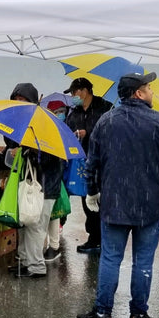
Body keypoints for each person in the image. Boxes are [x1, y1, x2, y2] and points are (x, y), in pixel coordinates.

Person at [76, 72, 159, 318]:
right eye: (148, 88)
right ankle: (138, 316)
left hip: (114, 203)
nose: (152, 92)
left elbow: (92, 162)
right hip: (150, 205)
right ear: (138, 93)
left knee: (110, 259)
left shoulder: (106, 122)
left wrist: (92, 191)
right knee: (143, 262)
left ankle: (103, 313)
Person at [0, 83, 63, 278]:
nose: (19, 103)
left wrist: (28, 151)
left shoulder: (45, 126)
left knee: (36, 227)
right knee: (24, 224)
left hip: (44, 186)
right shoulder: (18, 127)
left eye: (23, 100)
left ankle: (37, 267)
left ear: (32, 102)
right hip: (26, 184)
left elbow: (50, 158)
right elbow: (8, 154)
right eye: (16, 99)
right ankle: (24, 261)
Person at [64, 77, 113, 254]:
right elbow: (68, 131)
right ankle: (94, 238)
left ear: (84, 91)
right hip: (82, 161)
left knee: (101, 200)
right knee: (87, 200)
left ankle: (102, 239)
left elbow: (110, 133)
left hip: (102, 161)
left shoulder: (106, 108)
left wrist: (89, 133)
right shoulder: (74, 112)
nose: (72, 96)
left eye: (74, 92)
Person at [44, 99, 70, 261]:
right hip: (49, 178)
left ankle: (53, 247)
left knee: (52, 215)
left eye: (63, 111)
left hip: (54, 178)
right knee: (50, 214)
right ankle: (48, 247)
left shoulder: (64, 129)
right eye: (57, 112)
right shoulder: (46, 129)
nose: (61, 114)